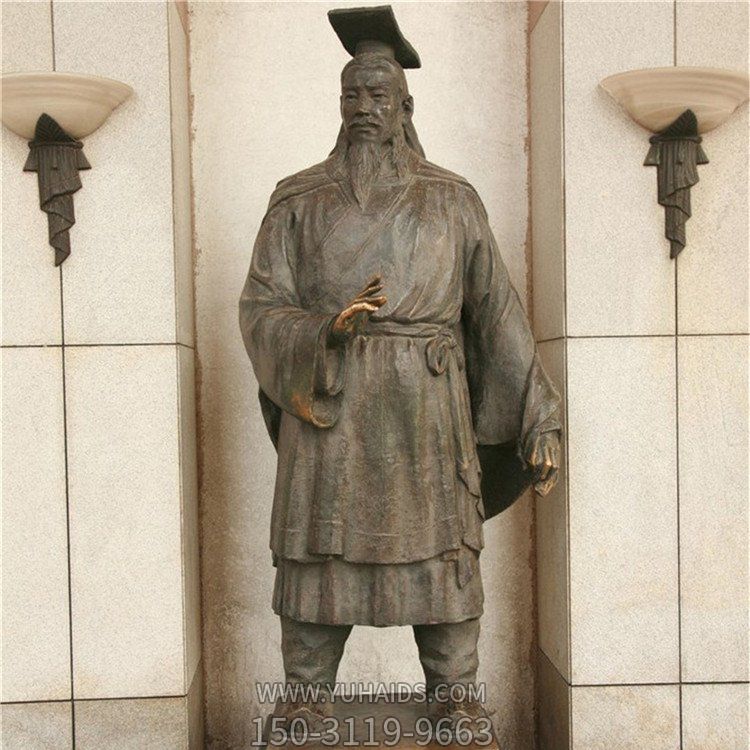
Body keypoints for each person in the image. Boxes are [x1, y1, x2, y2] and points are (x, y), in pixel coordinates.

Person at [239, 5, 561, 733]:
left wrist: (538, 410)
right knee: (318, 552)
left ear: (404, 108)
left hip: (425, 406)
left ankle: (454, 692)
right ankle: (305, 695)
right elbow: (261, 306)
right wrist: (323, 332)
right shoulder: (298, 200)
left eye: (378, 95)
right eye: (351, 94)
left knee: (440, 553)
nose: (363, 108)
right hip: (333, 402)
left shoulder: (451, 199)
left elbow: (497, 312)